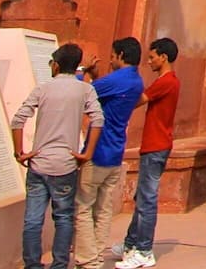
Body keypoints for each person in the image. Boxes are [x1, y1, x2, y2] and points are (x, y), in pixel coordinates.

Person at [12, 44, 102, 269]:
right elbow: (98, 120)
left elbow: (18, 120)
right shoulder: (84, 90)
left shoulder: (43, 88)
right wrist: (87, 153)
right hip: (66, 164)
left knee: (33, 220)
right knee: (63, 218)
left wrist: (20, 153)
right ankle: (60, 264)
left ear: (56, 65)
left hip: (39, 163)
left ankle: (32, 264)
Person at [75, 38, 142, 269]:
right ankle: (97, 257)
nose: (111, 59)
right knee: (103, 211)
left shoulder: (117, 79)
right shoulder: (136, 81)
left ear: (121, 55)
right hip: (115, 153)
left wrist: (82, 70)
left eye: (113, 56)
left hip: (98, 152)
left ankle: (87, 260)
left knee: (83, 208)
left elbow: (81, 93)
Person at [116, 38, 180, 268]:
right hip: (155, 144)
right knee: (142, 198)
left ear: (163, 57)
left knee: (147, 201)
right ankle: (131, 244)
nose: (149, 61)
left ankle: (144, 250)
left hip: (156, 145)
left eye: (152, 57)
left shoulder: (166, 81)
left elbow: (138, 100)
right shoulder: (167, 81)